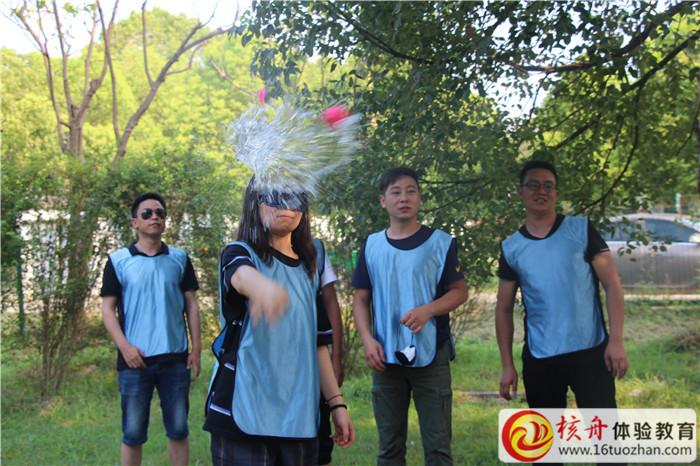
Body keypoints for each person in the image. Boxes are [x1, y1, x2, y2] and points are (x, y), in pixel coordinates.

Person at [203, 179, 354, 465]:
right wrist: (264, 289)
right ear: (254, 204)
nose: (285, 205)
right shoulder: (239, 252)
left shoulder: (311, 265)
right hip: (245, 410)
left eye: (294, 197)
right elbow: (241, 276)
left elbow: (317, 344)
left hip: (300, 416)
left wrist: (337, 404)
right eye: (273, 196)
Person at [352, 167, 469, 465]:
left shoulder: (441, 243)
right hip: (384, 358)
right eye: (396, 192)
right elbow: (361, 299)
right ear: (383, 201)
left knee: (438, 449)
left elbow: (459, 292)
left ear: (419, 198)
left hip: (432, 355)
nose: (404, 198)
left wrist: (428, 310)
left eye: (410, 191)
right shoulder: (371, 245)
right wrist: (367, 340)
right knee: (389, 449)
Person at [495, 160, 629, 409]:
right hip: (541, 357)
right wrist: (507, 365)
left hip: (591, 351)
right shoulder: (511, 247)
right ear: (520, 192)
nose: (541, 191)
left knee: (604, 432)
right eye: (533, 185)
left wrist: (617, 341)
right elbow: (503, 309)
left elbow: (612, 284)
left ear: (556, 194)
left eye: (548, 186)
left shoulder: (581, 230)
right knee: (547, 434)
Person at [101, 192, 201, 466]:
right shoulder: (118, 260)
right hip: (135, 360)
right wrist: (125, 348)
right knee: (132, 434)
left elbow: (192, 305)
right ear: (135, 222)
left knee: (179, 429)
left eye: (160, 213)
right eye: (147, 213)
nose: (154, 217)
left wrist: (196, 349)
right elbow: (107, 310)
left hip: (175, 359)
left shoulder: (180, 258)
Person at [315, 241, 345, 466]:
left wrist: (336, 358)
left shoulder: (315, 249)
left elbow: (330, 302)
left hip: (314, 361)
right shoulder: (244, 249)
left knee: (320, 438)